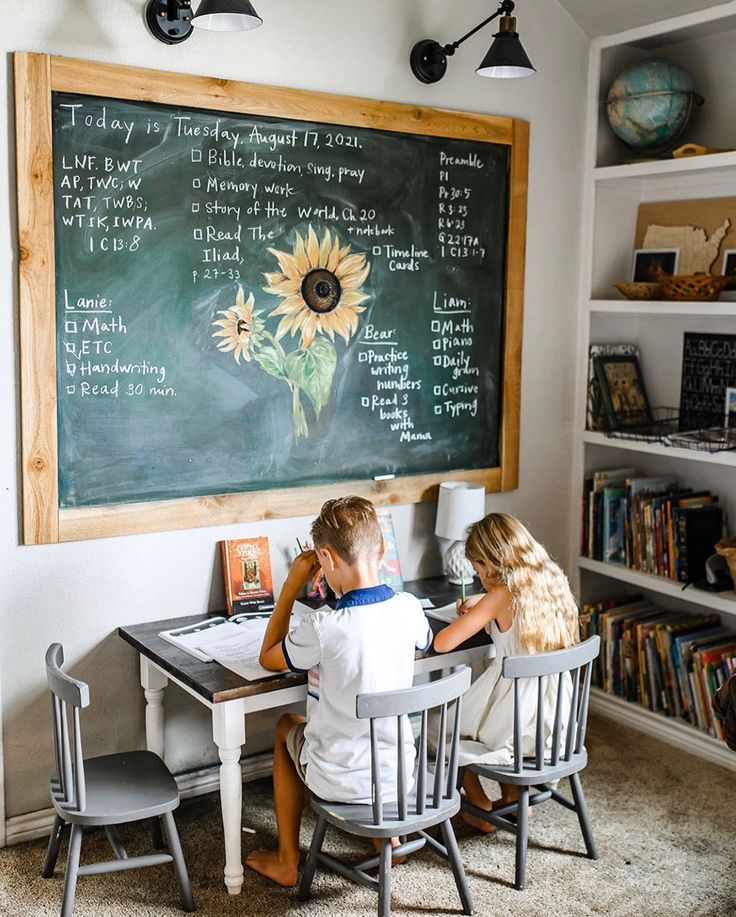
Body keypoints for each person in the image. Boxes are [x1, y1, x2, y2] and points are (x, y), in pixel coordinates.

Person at [245, 496, 432, 886]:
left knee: (285, 726)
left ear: (325, 559)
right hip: (399, 777)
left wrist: (292, 584)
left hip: (341, 780)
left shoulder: (324, 626)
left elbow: (267, 656)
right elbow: (424, 642)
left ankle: (287, 860)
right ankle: (391, 836)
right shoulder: (409, 609)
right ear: (382, 550)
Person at [432, 512, 579, 832]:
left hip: (517, 722)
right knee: (471, 719)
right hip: (554, 723)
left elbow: (443, 644)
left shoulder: (499, 596)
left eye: (479, 568)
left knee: (439, 726)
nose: (479, 576)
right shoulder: (551, 579)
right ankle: (514, 801)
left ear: (491, 561)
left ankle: (478, 805)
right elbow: (510, 608)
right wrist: (483, 601)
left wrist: (478, 609)